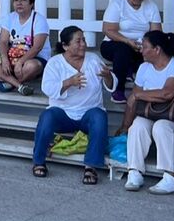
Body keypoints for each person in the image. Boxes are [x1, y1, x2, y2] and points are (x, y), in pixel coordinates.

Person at [34, 26, 115, 185]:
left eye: (83, 40)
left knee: (99, 116)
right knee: (47, 116)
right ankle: (39, 161)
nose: (83, 44)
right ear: (65, 45)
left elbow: (111, 85)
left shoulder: (93, 59)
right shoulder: (54, 63)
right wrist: (69, 82)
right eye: (78, 41)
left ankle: (91, 166)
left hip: (88, 114)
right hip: (64, 114)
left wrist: (108, 77)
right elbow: (47, 88)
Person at [123, 31, 174, 195]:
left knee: (161, 126)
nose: (141, 50)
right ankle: (134, 171)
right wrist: (125, 126)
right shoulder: (144, 68)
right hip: (154, 114)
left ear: (157, 49)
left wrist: (138, 94)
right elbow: (133, 103)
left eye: (145, 47)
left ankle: (172, 178)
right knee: (138, 125)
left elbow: (167, 93)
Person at [101, 0, 162, 101]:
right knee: (123, 51)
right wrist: (128, 41)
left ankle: (146, 93)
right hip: (115, 42)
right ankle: (118, 90)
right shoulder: (117, 5)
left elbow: (156, 32)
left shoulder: (151, 6)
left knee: (152, 54)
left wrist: (146, 45)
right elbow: (108, 30)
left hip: (140, 44)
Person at [0, 0, 49, 95]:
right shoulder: (9, 18)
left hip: (32, 57)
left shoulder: (39, 20)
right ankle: (19, 86)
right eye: (16, 0)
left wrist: (20, 62)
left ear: (31, 3)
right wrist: (4, 59)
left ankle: (10, 83)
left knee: (32, 66)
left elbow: (37, 47)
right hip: (11, 55)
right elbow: (3, 41)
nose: (19, 3)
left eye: (23, 0)